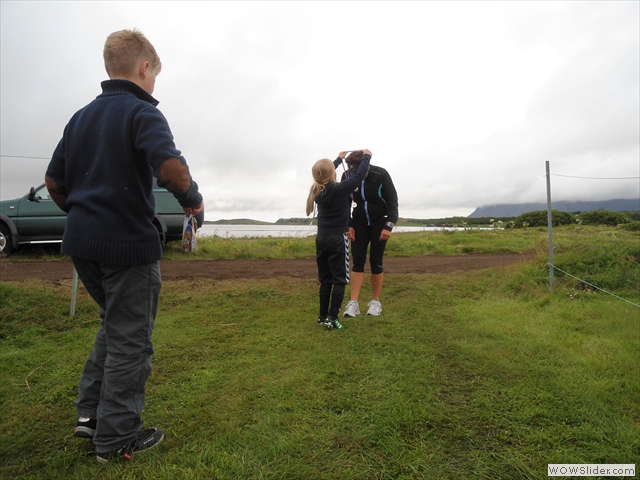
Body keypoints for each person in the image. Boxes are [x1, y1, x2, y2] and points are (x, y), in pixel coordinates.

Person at [45, 29, 203, 464]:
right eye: (155, 75)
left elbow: (54, 182)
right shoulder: (142, 112)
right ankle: (116, 439)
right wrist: (193, 201)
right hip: (127, 246)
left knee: (113, 324)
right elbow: (169, 168)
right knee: (131, 340)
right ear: (144, 67)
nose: (153, 83)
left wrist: (84, 212)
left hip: (82, 243)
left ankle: (91, 414)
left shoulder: (80, 118)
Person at [306, 150, 372, 329]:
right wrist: (367, 157)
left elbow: (323, 175)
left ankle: (322, 317)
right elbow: (358, 176)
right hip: (337, 239)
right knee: (340, 279)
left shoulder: (317, 190)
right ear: (333, 174)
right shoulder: (340, 188)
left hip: (322, 238)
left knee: (326, 279)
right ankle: (332, 318)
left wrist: (337, 160)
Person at [341, 151, 398, 317]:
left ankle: (375, 302)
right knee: (358, 260)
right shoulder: (346, 176)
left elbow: (393, 202)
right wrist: (348, 224)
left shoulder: (381, 174)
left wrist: (388, 226)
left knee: (376, 261)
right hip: (359, 223)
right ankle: (353, 303)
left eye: (360, 172)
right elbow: (344, 202)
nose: (357, 176)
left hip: (379, 222)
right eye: (354, 172)